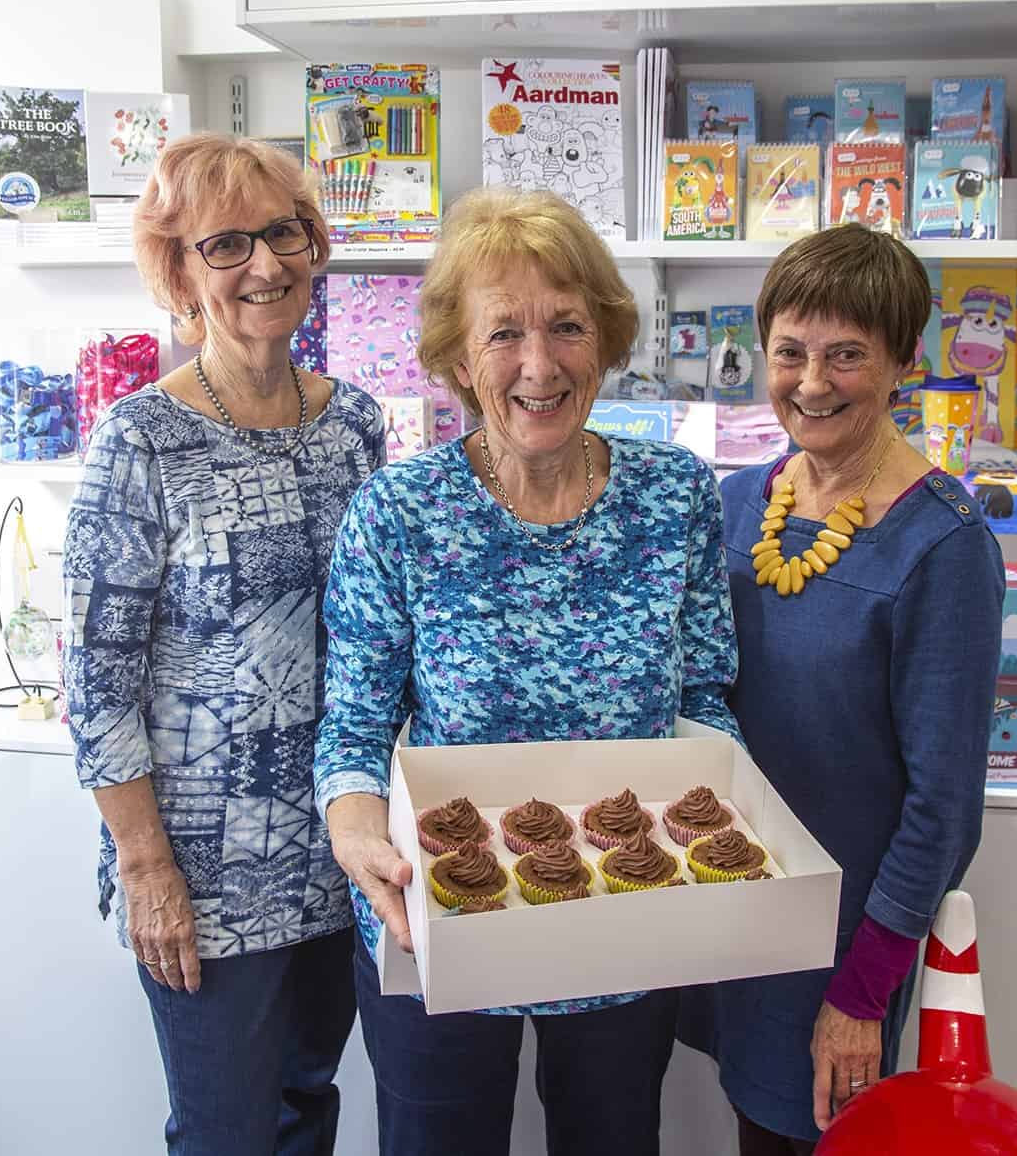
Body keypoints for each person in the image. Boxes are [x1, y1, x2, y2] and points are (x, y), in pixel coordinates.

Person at [314, 187, 741, 1156]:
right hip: (439, 924)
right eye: (503, 333)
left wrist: (723, 815)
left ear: (606, 338)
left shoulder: (672, 496)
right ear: (458, 361)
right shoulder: (399, 513)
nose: (538, 364)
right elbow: (350, 726)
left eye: (566, 327)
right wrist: (354, 832)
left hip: (623, 926)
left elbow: (706, 694)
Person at [62, 133, 383, 1155]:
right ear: (179, 271)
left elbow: (379, 636)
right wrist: (145, 864)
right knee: (226, 1133)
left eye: (282, 233)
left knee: (307, 1106)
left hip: (339, 859)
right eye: (226, 244)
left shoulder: (356, 426)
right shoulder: (139, 439)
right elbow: (98, 680)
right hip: (205, 874)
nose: (264, 264)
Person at [678, 223, 1004, 1153]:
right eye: (789, 352)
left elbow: (943, 808)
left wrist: (862, 992)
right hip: (728, 907)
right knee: (745, 1122)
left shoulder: (942, 546)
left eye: (846, 355)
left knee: (804, 1133)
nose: (811, 382)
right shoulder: (741, 503)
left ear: (903, 362)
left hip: (841, 943)